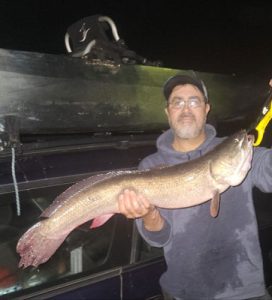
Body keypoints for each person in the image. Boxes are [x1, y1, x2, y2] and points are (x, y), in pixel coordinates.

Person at [118, 74, 272, 300]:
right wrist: (150, 215)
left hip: (244, 291)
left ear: (206, 109)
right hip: (184, 293)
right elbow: (158, 238)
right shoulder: (151, 166)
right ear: (167, 112)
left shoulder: (237, 153)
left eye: (194, 101)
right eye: (177, 102)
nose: (186, 109)